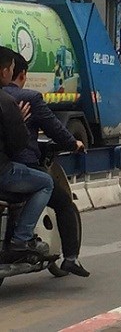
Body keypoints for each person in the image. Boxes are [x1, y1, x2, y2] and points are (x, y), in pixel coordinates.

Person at [3, 52, 89, 276]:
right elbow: (54, 129)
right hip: (15, 168)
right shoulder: (25, 99)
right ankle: (67, 257)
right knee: (61, 200)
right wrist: (74, 143)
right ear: (19, 73)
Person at [0, 46, 54, 254]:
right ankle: (21, 239)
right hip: (3, 172)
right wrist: (19, 121)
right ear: (5, 71)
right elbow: (18, 144)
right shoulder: (7, 102)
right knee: (46, 182)